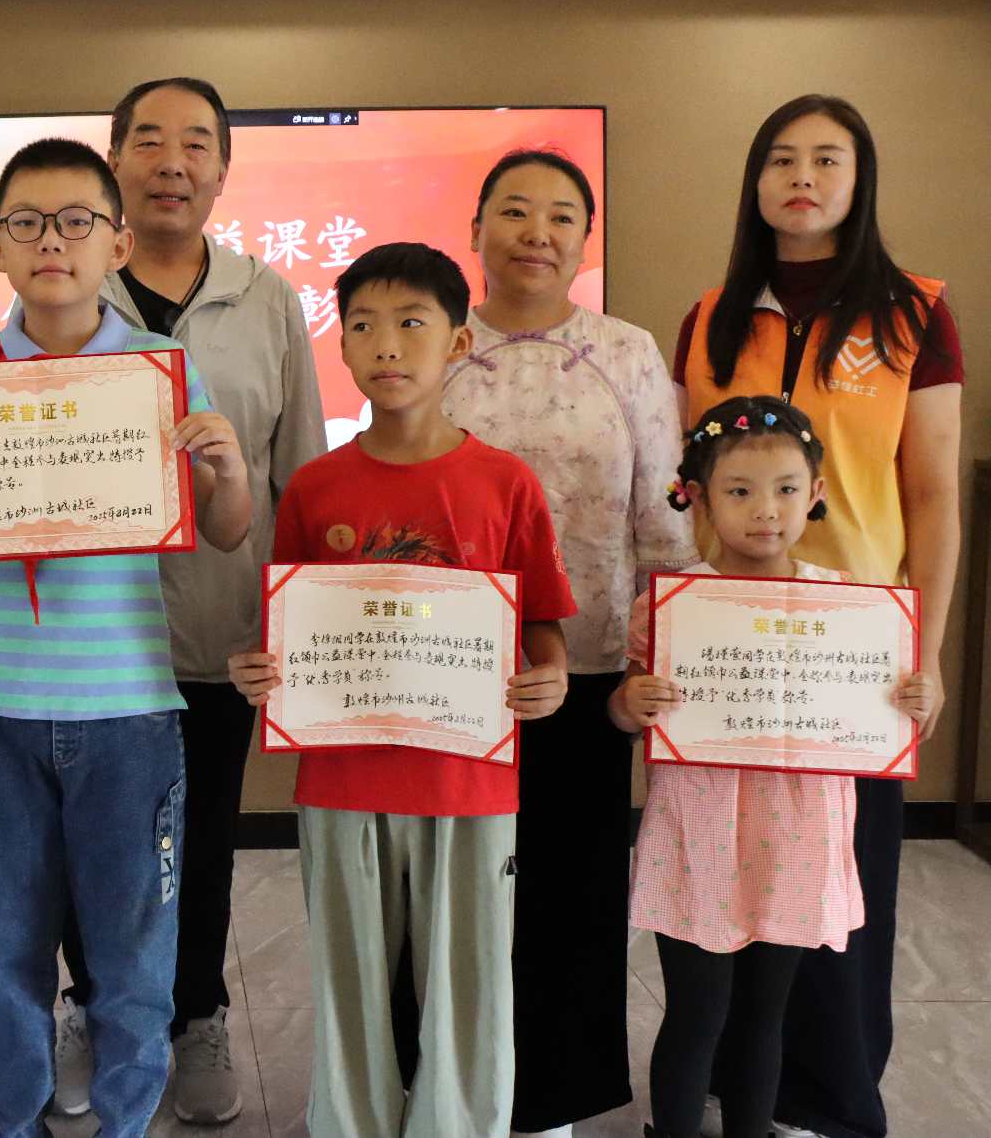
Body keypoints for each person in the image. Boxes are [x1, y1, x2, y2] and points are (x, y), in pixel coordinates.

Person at [0, 138, 253, 1138]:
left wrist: (230, 472)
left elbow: (227, 529)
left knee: (132, 954)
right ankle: (18, 1118)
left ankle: (123, 1121)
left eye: (76, 221)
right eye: (27, 223)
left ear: (115, 242)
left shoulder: (160, 369)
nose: (52, 241)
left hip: (126, 705)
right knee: (1, 952)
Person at [229, 242, 574, 1138]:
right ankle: (350, 1121)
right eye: (363, 325)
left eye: (412, 322)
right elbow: (289, 630)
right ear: (341, 344)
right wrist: (257, 668)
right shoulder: (314, 487)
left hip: (470, 779)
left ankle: (462, 1124)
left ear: (458, 341)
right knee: (348, 977)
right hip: (343, 778)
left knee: (470, 979)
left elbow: (541, 621)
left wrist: (551, 674)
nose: (386, 344)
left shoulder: (505, 482)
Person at [673, 95, 960, 1138]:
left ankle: (830, 1100)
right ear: (754, 182)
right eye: (781, 159)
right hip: (731, 647)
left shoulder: (913, 314)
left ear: (859, 178)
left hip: (853, 657)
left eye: (827, 159)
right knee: (729, 882)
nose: (803, 176)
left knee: (840, 890)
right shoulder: (710, 316)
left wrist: (925, 651)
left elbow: (931, 492)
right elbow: (686, 486)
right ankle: (737, 1087)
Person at [51, 75, 325, 1126]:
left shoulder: (268, 299)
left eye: (196, 143)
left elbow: (300, 472)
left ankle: (196, 1012)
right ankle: (92, 1006)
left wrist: (293, 621)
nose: (173, 162)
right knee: (86, 841)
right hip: (91, 633)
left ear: (222, 170)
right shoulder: (67, 287)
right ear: (114, 158)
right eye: (150, 141)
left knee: (198, 837)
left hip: (220, 628)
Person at [440, 148, 698, 1137]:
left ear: (585, 241)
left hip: (589, 668)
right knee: (457, 891)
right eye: (513, 210)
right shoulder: (437, 342)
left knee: (572, 892)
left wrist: (653, 658)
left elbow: (663, 520)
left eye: (560, 216)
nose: (536, 232)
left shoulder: (627, 352)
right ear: (474, 230)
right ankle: (453, 1084)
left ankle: (549, 1101)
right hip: (452, 672)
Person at [611, 396, 938, 1138]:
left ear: (815, 493)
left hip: (797, 838)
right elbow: (626, 714)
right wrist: (631, 702)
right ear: (698, 496)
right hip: (697, 837)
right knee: (697, 1013)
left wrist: (909, 698)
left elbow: (882, 712)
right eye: (740, 490)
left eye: (787, 489)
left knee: (766, 1014)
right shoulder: (672, 606)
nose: (766, 510)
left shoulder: (849, 606)